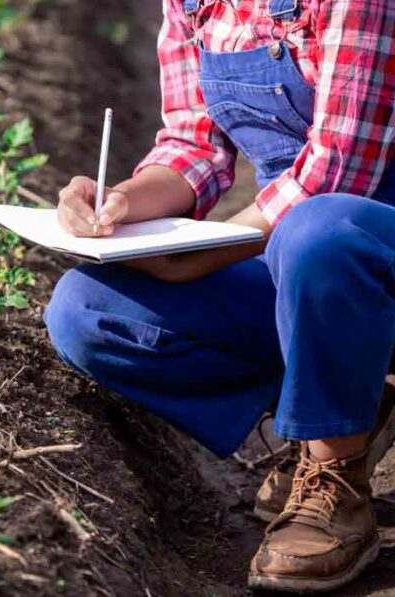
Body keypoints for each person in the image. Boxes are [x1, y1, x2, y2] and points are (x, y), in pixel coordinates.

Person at [44, 0, 395, 592]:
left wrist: (205, 256)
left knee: (318, 233)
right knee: (89, 310)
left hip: (360, 245)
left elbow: (338, 169)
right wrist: (120, 203)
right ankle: (337, 407)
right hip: (304, 261)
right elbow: (192, 145)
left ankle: (335, 475)